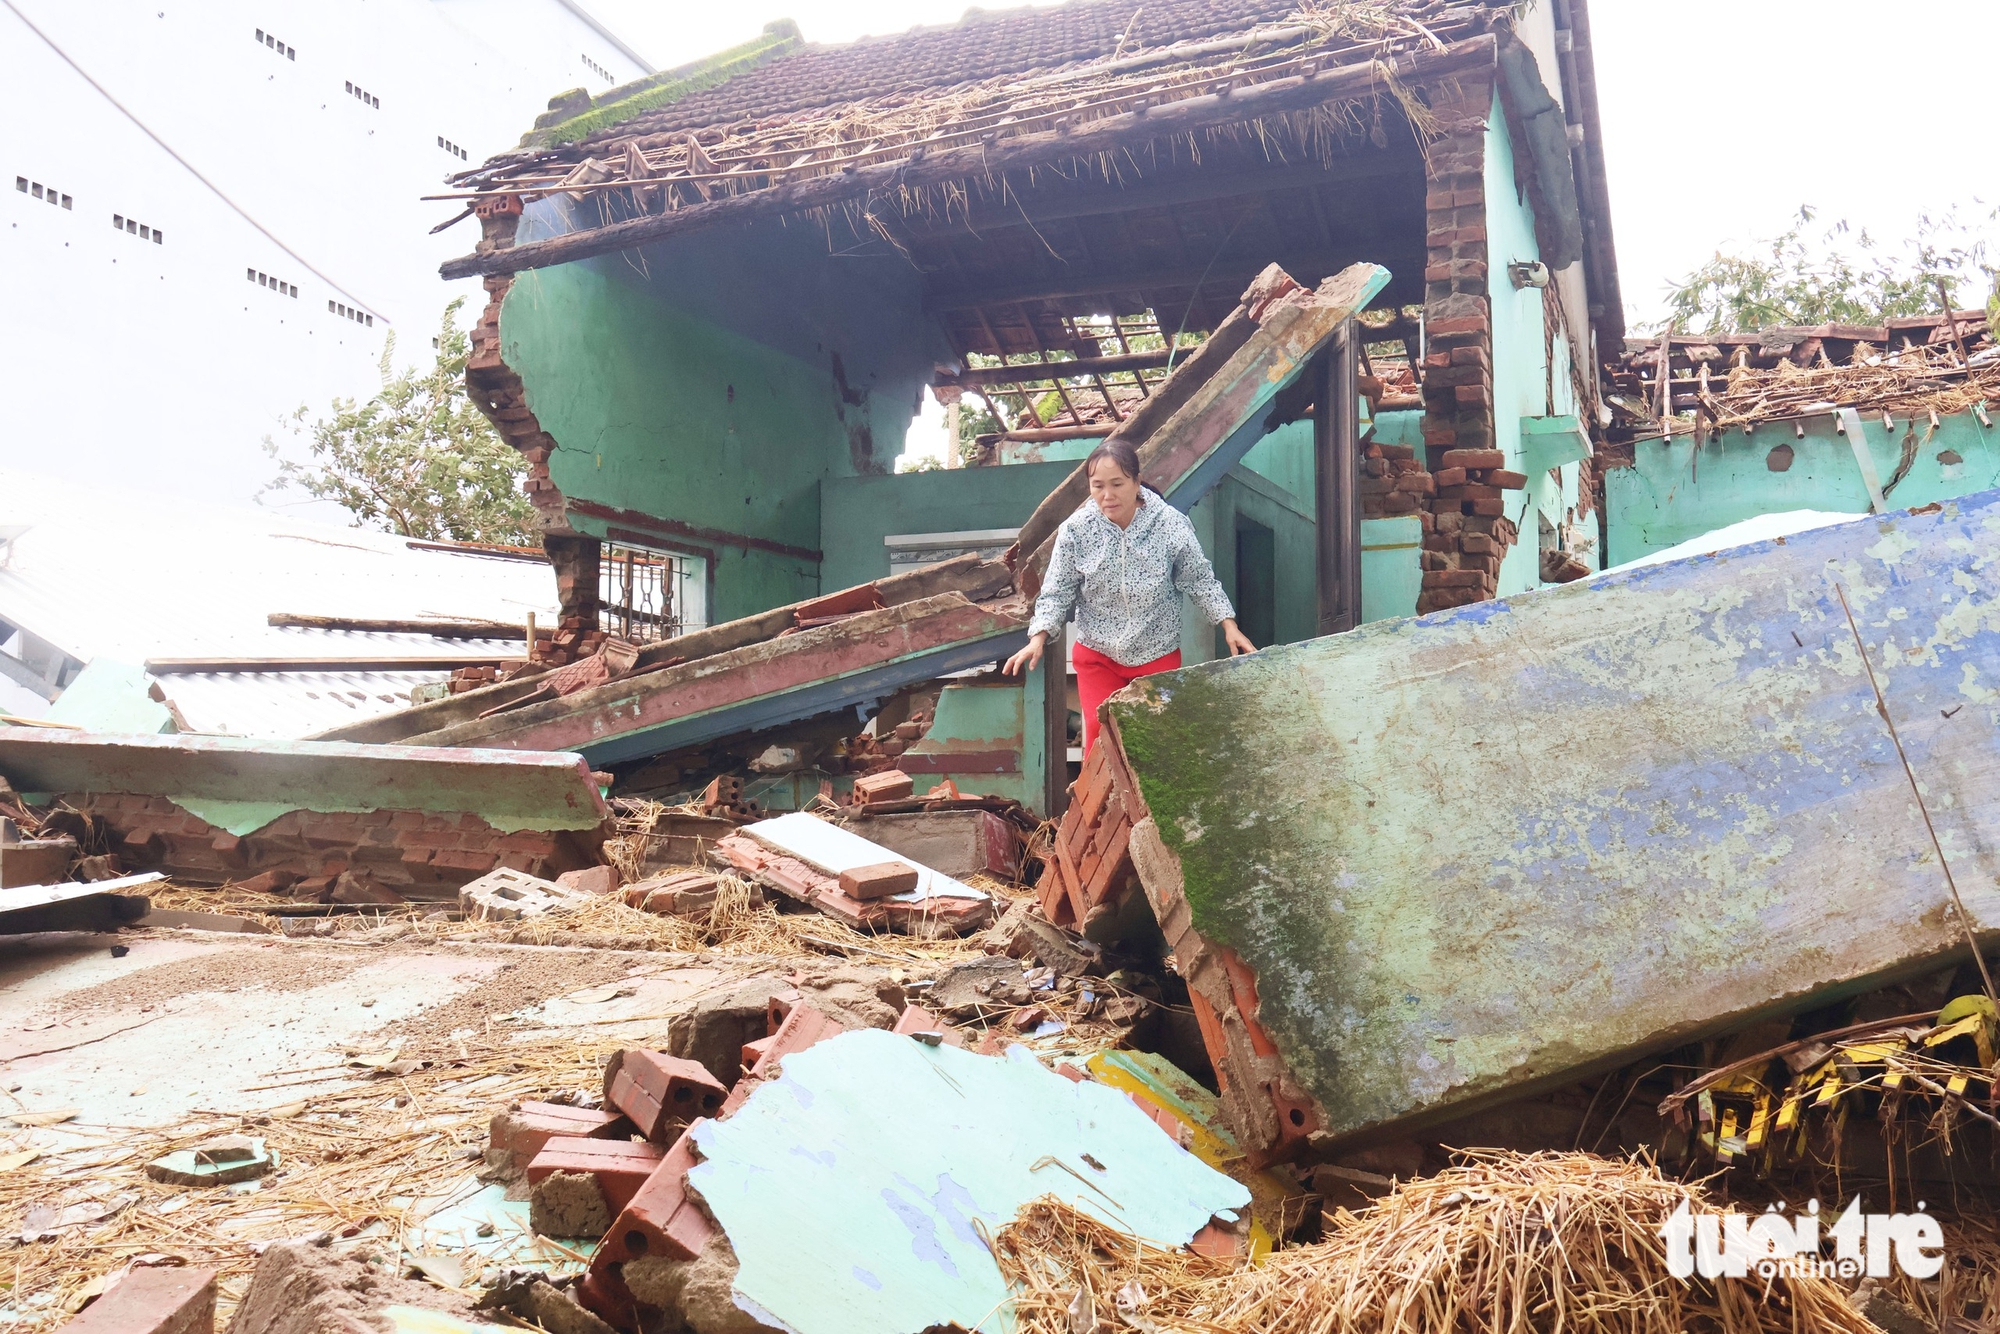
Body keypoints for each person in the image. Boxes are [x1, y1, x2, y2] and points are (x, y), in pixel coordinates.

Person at [1003, 439, 1255, 753]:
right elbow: (1057, 591)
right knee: (1099, 735)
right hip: (1099, 655)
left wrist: (1228, 625)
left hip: (1156, 653)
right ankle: (1096, 804)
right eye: (1097, 486)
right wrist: (1038, 637)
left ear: (1136, 482)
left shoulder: (1170, 525)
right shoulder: (1076, 531)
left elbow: (1200, 579)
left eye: (1117, 484)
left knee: (1156, 745)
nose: (1107, 496)